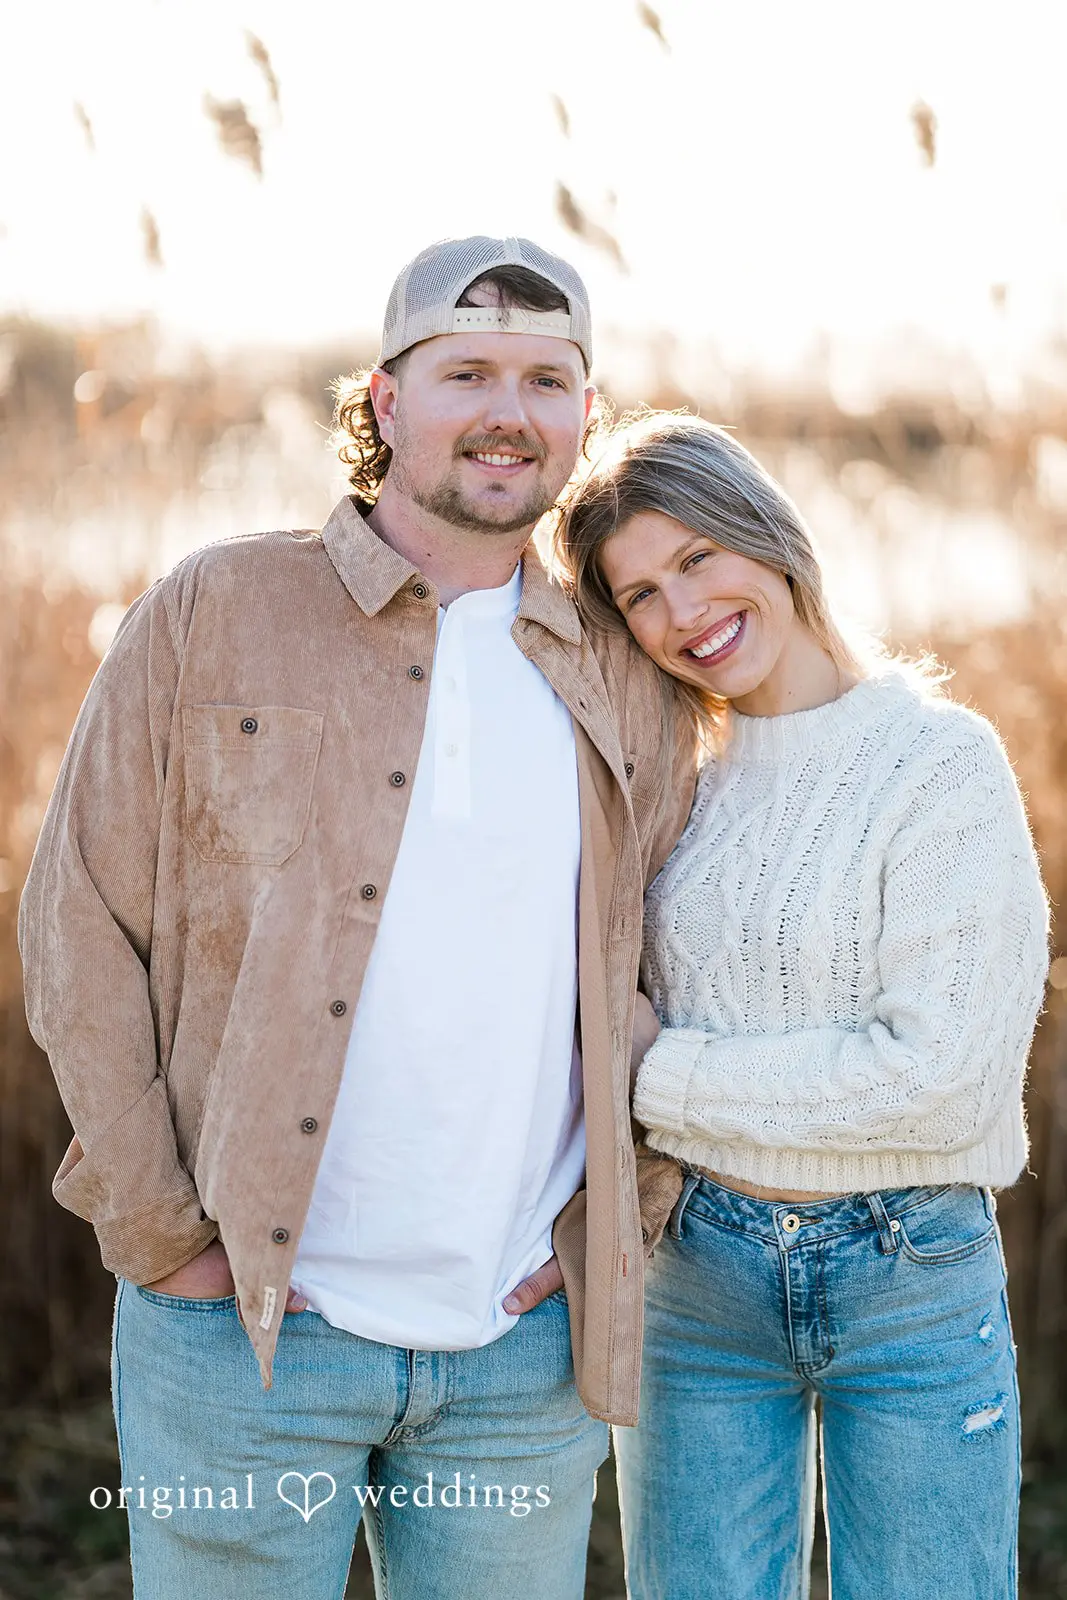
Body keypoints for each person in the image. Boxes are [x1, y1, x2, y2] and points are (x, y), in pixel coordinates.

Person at [18, 239, 695, 1600]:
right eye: (466, 372)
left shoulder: (629, 672)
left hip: (518, 1352)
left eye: (545, 379)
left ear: (582, 412)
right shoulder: (218, 609)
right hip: (248, 1334)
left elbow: (674, 962)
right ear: (384, 402)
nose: (508, 410)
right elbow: (75, 922)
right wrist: (162, 1235)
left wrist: (625, 1212)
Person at [555, 410, 1050, 1600]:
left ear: (765, 537)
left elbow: (938, 1080)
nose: (680, 615)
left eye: (694, 560)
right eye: (636, 596)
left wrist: (656, 1072)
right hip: (696, 1277)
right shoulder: (672, 789)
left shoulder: (937, 761)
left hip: (909, 1272)